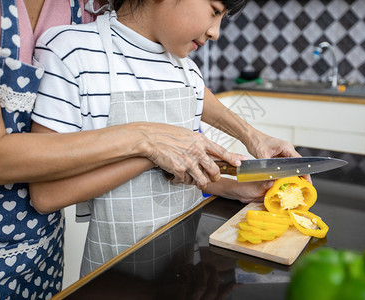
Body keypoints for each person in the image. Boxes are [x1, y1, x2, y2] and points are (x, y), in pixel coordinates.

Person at [0, 0, 246, 298]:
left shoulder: (86, 7)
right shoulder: (70, 47)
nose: (216, 32)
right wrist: (148, 146)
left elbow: (179, 151)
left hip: (46, 250)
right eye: (214, 11)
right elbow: (2, 166)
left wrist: (235, 176)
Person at [29, 0, 309, 278]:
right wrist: (151, 156)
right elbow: (47, 195)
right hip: (116, 279)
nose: (216, 32)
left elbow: (178, 173)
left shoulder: (187, 72)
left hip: (183, 271)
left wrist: (231, 186)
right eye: (214, 11)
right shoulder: (73, 52)